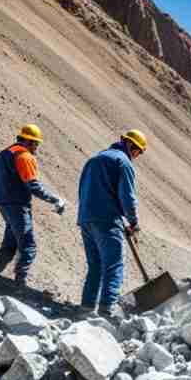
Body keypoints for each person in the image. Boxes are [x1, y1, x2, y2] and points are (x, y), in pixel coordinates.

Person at [77, 129, 148, 317]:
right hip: (106, 221)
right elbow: (128, 198)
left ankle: (85, 308)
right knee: (114, 265)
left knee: (95, 266)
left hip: (86, 219)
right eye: (138, 151)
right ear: (131, 145)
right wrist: (133, 222)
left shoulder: (94, 159)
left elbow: (85, 189)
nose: (137, 155)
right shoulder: (123, 162)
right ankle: (107, 311)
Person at [0, 123, 66, 286]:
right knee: (28, 246)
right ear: (29, 142)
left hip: (3, 203)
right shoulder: (24, 156)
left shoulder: (4, 153)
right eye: (36, 143)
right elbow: (34, 186)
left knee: (11, 242)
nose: (36, 147)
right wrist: (55, 199)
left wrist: (4, 191)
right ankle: (19, 284)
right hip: (17, 205)